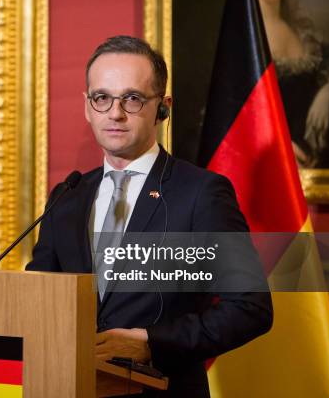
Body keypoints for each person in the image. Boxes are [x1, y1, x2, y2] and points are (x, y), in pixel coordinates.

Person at [25, 36, 273, 397]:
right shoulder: (68, 195)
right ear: (87, 106)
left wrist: (152, 343)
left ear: (163, 107)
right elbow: (39, 298)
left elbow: (250, 308)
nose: (115, 112)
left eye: (132, 98)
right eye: (102, 98)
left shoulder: (201, 193)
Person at [258, 0, 329, 168]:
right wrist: (280, 148)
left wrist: (327, 92)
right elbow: (242, 113)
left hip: (316, 162)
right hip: (276, 163)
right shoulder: (248, 35)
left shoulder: (299, 30)